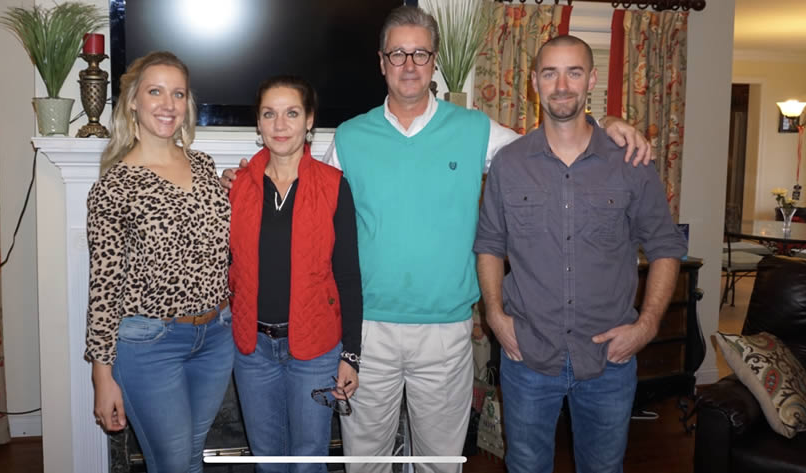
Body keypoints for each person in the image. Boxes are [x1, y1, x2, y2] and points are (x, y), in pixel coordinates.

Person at [222, 8, 651, 472]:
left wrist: (605, 122)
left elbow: (552, 147)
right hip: (368, 331)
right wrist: (246, 179)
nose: (409, 65)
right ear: (381, 62)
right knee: (364, 463)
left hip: (445, 333)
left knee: (439, 464)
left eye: (420, 54)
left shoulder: (475, 129)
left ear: (435, 61)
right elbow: (303, 190)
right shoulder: (350, 136)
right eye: (397, 54)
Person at [473, 35, 686, 473]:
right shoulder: (509, 164)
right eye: (550, 73)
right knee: (525, 467)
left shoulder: (630, 161)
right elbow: (490, 244)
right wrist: (495, 316)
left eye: (574, 72)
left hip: (609, 358)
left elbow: (666, 246)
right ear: (534, 82)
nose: (562, 85)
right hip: (528, 355)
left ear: (591, 80)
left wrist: (647, 325)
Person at [84, 51, 233, 473]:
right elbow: (103, 287)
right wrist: (101, 376)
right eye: (155, 92)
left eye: (178, 94)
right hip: (151, 343)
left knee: (191, 456)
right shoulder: (114, 186)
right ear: (133, 101)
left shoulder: (204, 166)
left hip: (217, 335)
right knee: (173, 463)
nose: (168, 104)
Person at [228, 76, 363, 472]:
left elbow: (348, 275)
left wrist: (351, 355)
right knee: (267, 462)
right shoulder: (237, 187)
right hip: (253, 351)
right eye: (269, 114)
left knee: (309, 461)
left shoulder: (334, 186)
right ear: (258, 123)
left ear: (309, 121)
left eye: (291, 113)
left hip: (316, 350)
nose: (280, 124)